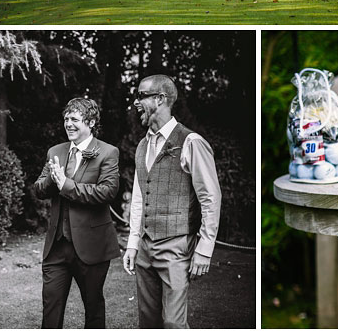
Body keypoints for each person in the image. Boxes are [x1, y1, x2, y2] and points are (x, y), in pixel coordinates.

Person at [122, 74, 221, 329]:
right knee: (148, 322)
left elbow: (210, 197)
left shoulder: (191, 142)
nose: (136, 103)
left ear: (160, 99)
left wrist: (204, 249)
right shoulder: (143, 145)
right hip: (145, 247)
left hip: (176, 247)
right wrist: (133, 243)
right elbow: (139, 197)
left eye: (141, 96)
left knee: (173, 324)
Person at [33, 96, 120, 329]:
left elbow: (107, 192)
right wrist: (53, 179)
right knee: (50, 309)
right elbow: (39, 190)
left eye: (74, 119)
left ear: (90, 122)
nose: (68, 124)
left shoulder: (107, 152)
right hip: (56, 247)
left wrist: (66, 185)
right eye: (66, 119)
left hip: (91, 247)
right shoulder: (56, 151)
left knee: (93, 309)